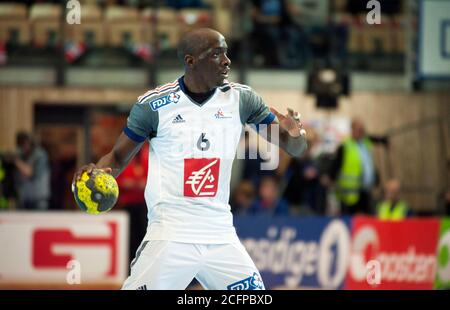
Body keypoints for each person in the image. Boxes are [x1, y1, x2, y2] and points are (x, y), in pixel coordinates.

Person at [73, 28, 307, 290]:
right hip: (170, 235)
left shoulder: (242, 100)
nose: (227, 61)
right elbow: (117, 156)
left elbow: (294, 147)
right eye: (216, 54)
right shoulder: (154, 105)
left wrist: (296, 134)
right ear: (191, 60)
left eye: (226, 52)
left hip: (220, 235)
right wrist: (98, 172)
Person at [328, 118, 377, 215]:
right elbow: (336, 165)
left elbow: (368, 165)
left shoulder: (366, 144)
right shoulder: (345, 146)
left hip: (365, 190)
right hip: (349, 193)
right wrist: (331, 178)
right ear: (352, 130)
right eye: (359, 130)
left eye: (363, 130)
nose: (362, 132)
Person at [13, 132, 51, 210]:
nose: (23, 147)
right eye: (20, 145)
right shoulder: (21, 155)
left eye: (24, 144)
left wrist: (16, 161)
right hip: (23, 199)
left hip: (38, 200)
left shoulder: (40, 155)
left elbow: (31, 173)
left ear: (30, 142)